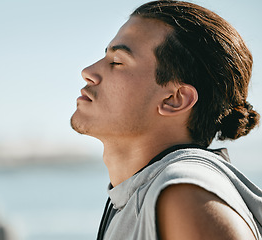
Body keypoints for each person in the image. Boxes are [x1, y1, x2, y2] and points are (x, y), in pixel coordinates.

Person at [70, 0, 262, 239]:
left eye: (117, 62)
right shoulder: (142, 193)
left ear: (174, 99)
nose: (88, 72)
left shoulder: (184, 193)